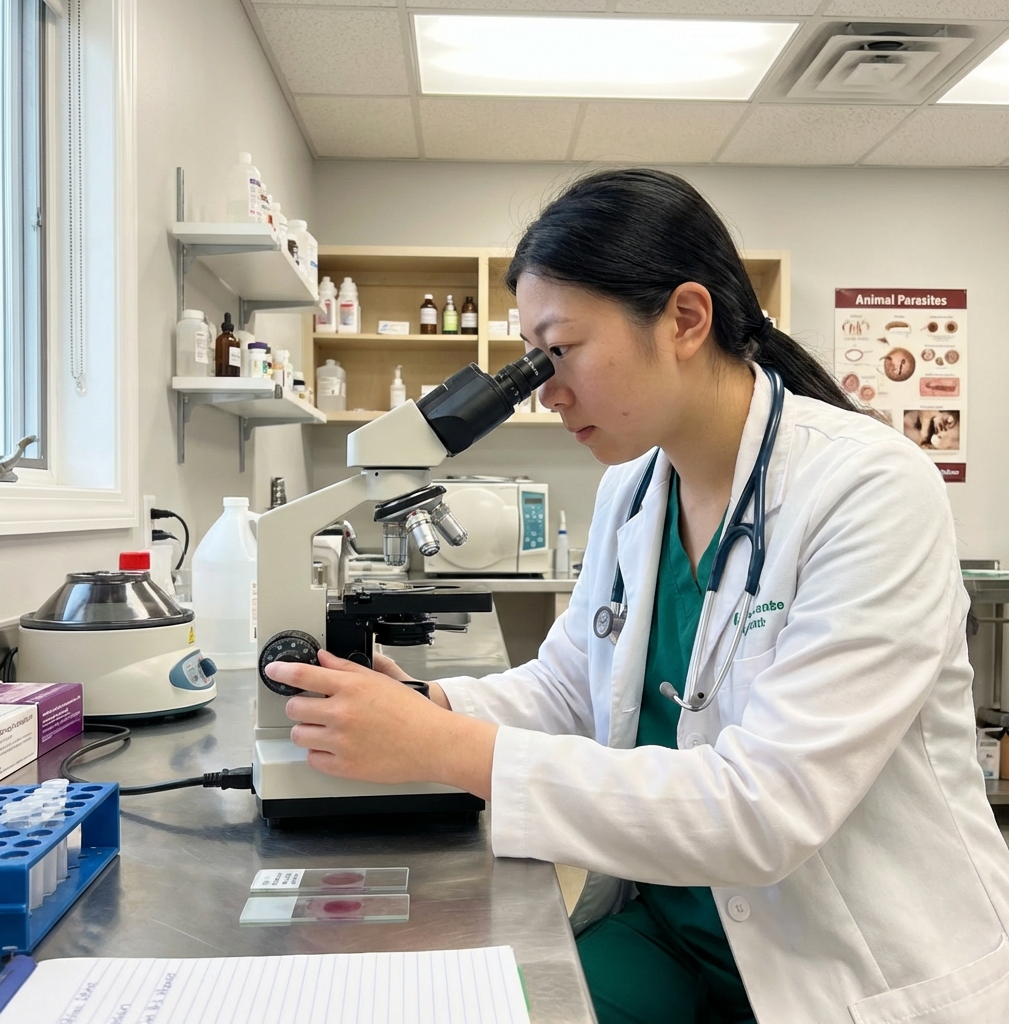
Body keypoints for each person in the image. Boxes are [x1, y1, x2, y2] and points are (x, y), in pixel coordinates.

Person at [267, 169, 1009, 1024]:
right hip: (669, 925)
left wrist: (446, 749)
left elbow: (765, 811)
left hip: (843, 966)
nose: (546, 389)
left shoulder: (871, 486)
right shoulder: (632, 489)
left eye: (562, 349)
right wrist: (425, 703)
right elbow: (569, 686)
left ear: (686, 319)